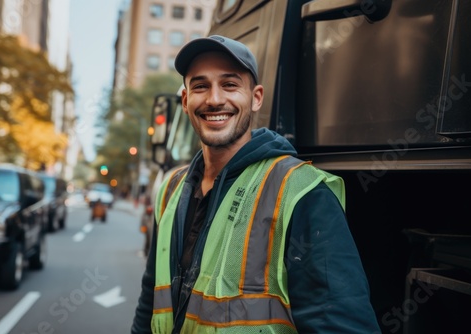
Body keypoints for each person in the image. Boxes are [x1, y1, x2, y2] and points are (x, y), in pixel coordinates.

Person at [131, 35, 380, 333]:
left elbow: (339, 324)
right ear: (185, 101)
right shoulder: (171, 189)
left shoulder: (299, 190)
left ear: (256, 97)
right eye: (200, 86)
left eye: (230, 84)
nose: (214, 99)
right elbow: (151, 299)